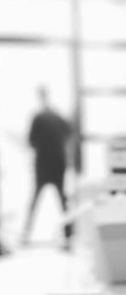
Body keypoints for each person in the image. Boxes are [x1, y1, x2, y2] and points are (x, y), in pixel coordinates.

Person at [22, 87, 73, 248]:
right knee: (62, 199)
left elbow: (31, 141)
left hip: (43, 164)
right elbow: (69, 133)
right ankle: (69, 235)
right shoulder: (58, 116)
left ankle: (26, 235)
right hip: (58, 163)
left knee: (35, 199)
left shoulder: (38, 117)